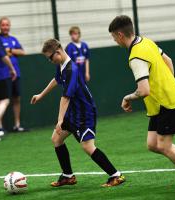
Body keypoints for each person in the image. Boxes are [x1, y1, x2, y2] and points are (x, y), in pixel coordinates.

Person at [108, 15, 175, 192]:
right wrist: (168, 84)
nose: (115, 41)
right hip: (160, 103)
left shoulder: (135, 57)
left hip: (166, 102)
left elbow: (143, 90)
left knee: (164, 145)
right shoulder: (146, 42)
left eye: (114, 37)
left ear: (120, 35)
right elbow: (168, 61)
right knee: (153, 144)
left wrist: (127, 98)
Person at [30, 39, 125, 187]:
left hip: (84, 113)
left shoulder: (71, 70)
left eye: (50, 57)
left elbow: (66, 97)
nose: (50, 61)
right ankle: (68, 176)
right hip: (73, 112)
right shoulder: (61, 65)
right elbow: (56, 79)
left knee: (87, 146)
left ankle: (116, 175)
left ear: (58, 51)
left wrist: (60, 120)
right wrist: (41, 94)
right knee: (56, 139)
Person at [0, 17, 28, 132]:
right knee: (2, 100)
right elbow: (0, 52)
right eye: (3, 25)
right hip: (3, 74)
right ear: (0, 26)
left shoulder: (13, 39)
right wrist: (9, 51)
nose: (5, 27)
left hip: (16, 73)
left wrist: (10, 50)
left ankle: (17, 124)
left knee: (17, 99)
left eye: (7, 25)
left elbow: (22, 52)